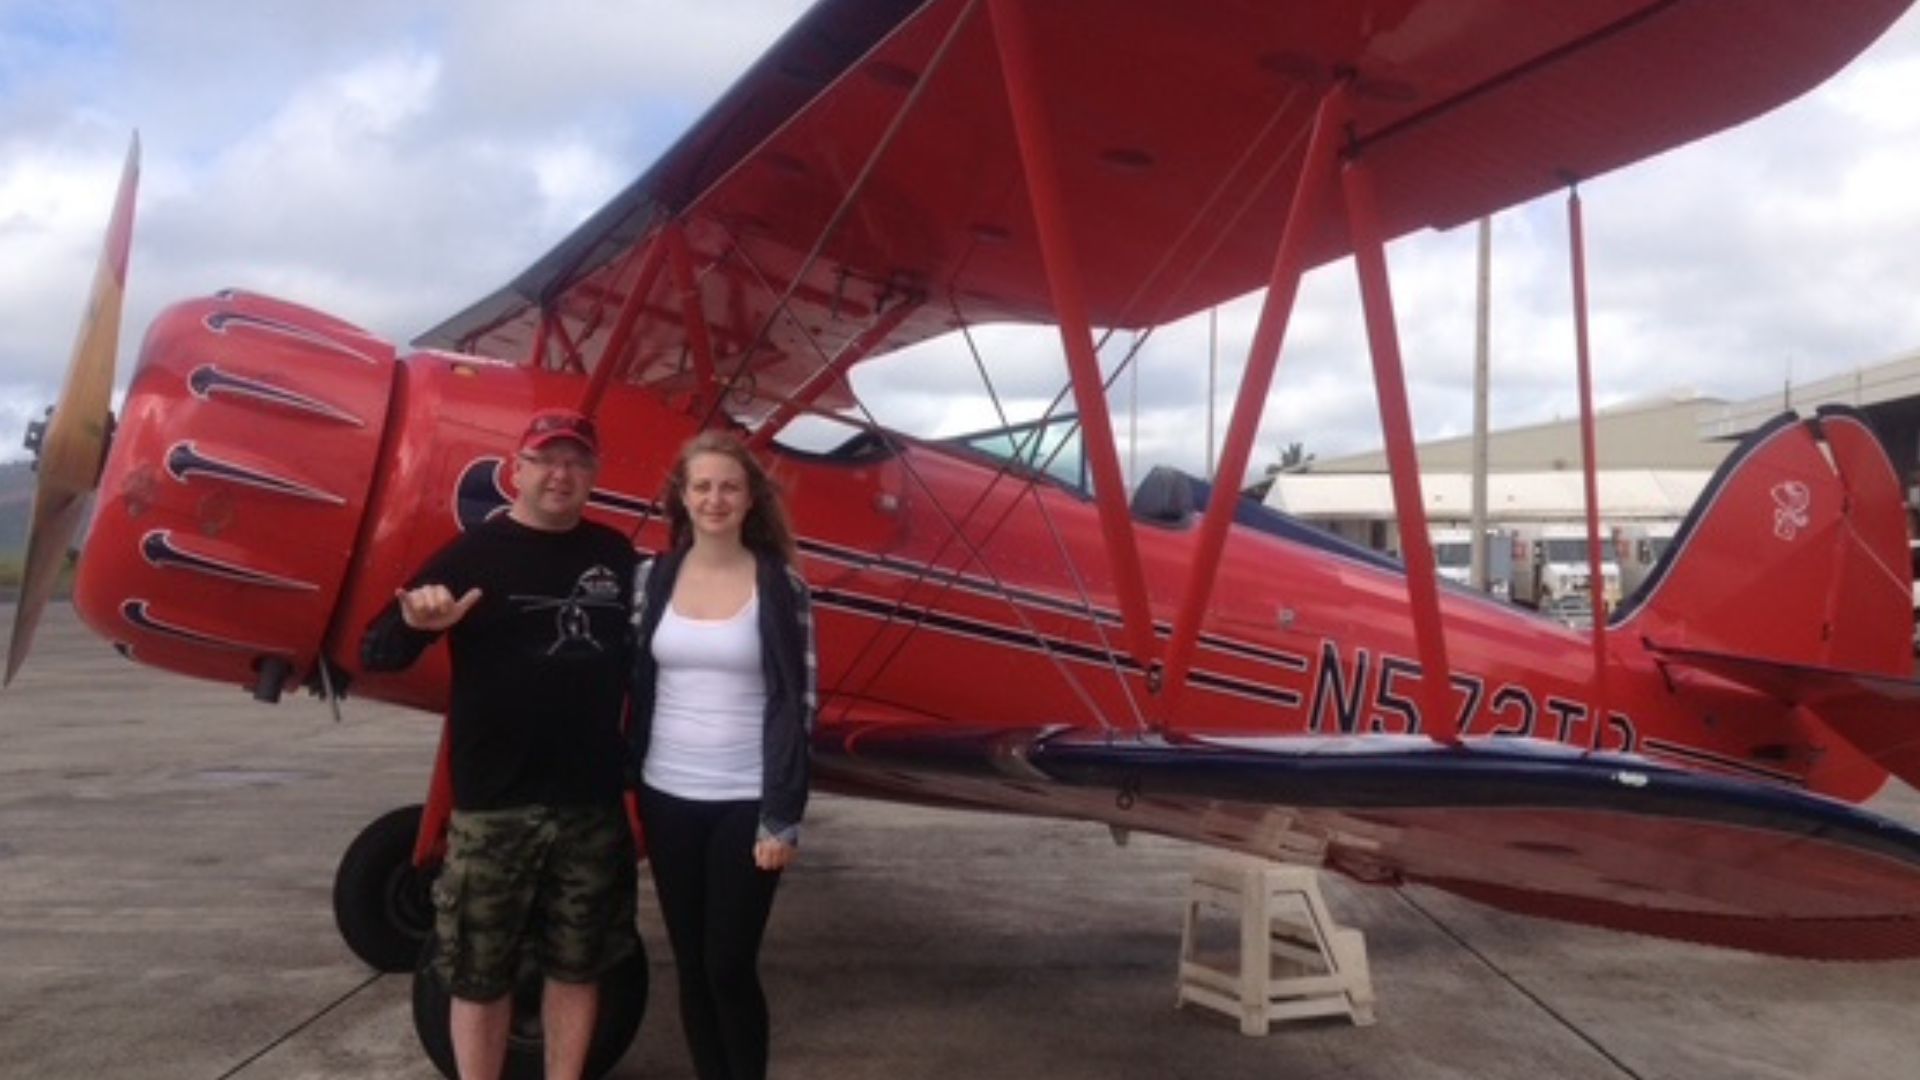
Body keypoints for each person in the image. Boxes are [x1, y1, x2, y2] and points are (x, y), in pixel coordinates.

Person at [360, 408, 638, 1080]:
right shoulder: (475, 553)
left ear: (593, 475)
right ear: (518, 469)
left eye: (575, 462)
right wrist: (418, 622)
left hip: (590, 804)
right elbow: (380, 649)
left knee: (580, 964)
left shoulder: (615, 556)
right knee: (479, 974)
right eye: (546, 460)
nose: (560, 474)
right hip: (494, 809)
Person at [629, 431, 816, 1080]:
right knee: (690, 965)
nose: (715, 498)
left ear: (750, 500)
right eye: (702, 486)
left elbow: (798, 703)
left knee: (728, 966)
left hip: (744, 798)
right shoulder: (652, 578)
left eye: (729, 486)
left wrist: (781, 815)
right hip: (666, 791)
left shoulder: (781, 587)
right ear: (681, 496)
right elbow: (631, 678)